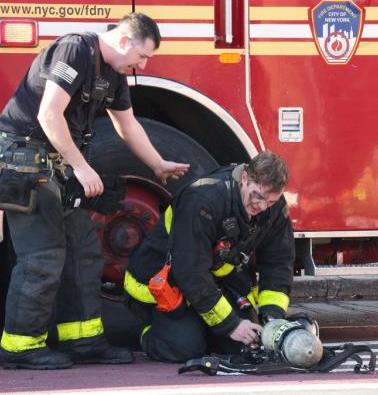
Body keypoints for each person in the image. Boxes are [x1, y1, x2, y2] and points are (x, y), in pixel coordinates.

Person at [0, 13, 190, 370]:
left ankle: (82, 339)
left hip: (56, 166)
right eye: (143, 56)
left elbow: (127, 125)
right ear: (125, 41)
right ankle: (20, 347)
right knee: (43, 257)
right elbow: (50, 115)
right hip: (24, 160)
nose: (142, 65)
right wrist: (82, 167)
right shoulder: (74, 50)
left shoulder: (113, 73)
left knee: (82, 252)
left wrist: (158, 164)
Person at [124, 151, 295, 362]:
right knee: (186, 347)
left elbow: (278, 262)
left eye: (269, 202)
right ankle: (150, 333)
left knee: (245, 345)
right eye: (257, 197)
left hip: (210, 280)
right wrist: (231, 325)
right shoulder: (202, 199)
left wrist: (272, 318)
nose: (261, 208)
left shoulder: (273, 206)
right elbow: (190, 271)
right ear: (244, 178)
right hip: (165, 283)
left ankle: (205, 329)